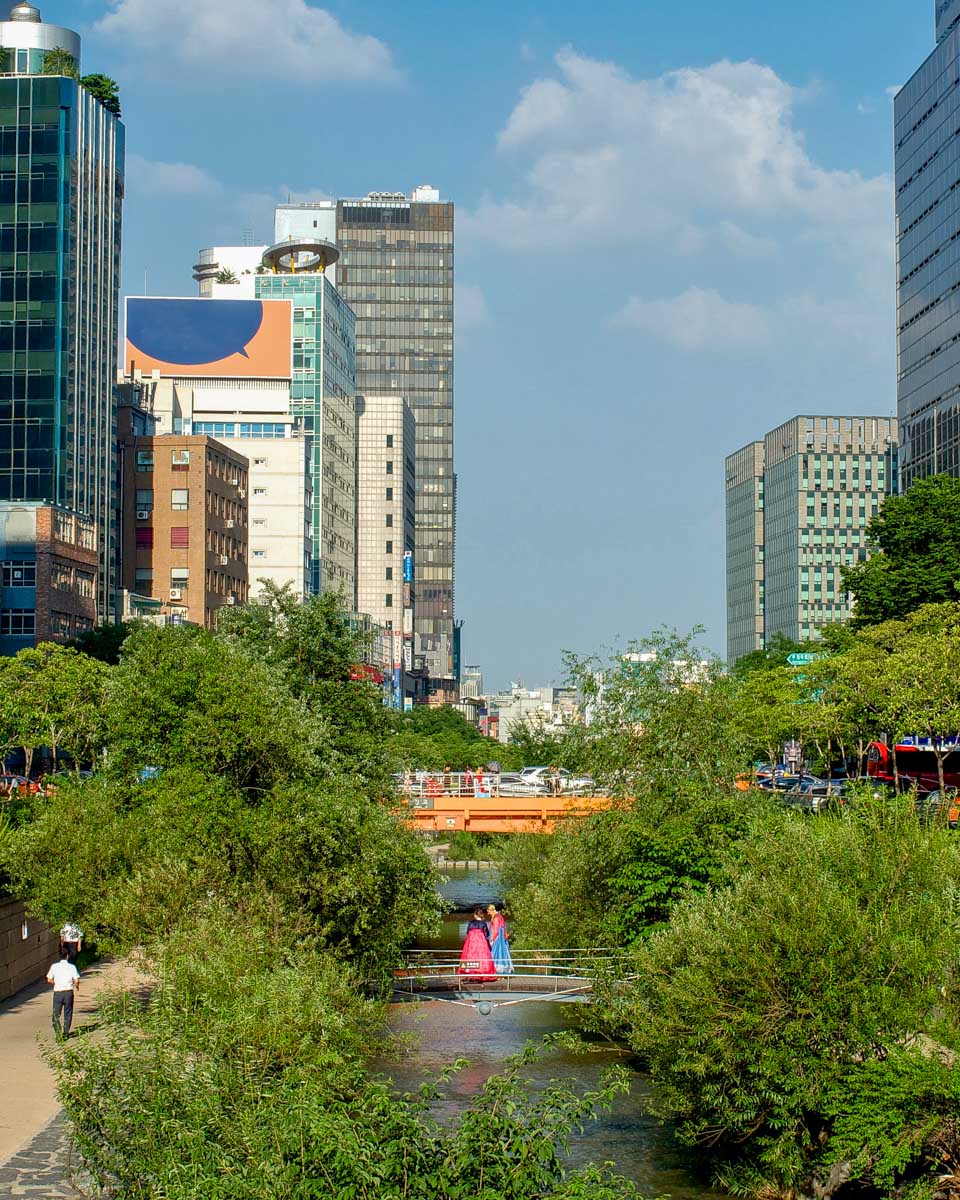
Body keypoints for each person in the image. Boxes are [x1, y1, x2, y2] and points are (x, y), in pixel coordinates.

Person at [46, 948, 80, 1040]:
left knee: (55, 1014)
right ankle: (65, 1033)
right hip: (68, 992)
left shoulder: (54, 966)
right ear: (67, 956)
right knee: (68, 1013)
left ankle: (58, 1033)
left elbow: (49, 979)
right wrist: (76, 986)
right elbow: (76, 980)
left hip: (58, 992)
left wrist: (56, 982)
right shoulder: (72, 967)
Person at [458, 906, 497, 981]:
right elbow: (487, 935)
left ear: (475, 915)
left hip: (471, 943)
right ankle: (482, 972)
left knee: (469, 956)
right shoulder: (483, 924)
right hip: (481, 944)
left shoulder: (471, 923)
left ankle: (469, 972)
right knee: (482, 957)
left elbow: (467, 932)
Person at [486, 904, 514, 976]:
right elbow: (503, 927)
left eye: (488, 912)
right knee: (503, 953)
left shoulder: (496, 918)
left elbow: (495, 930)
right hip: (501, 938)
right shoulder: (500, 916)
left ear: (491, 910)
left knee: (495, 953)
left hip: (497, 939)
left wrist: (492, 940)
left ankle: (495, 971)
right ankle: (503, 970)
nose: (488, 913)